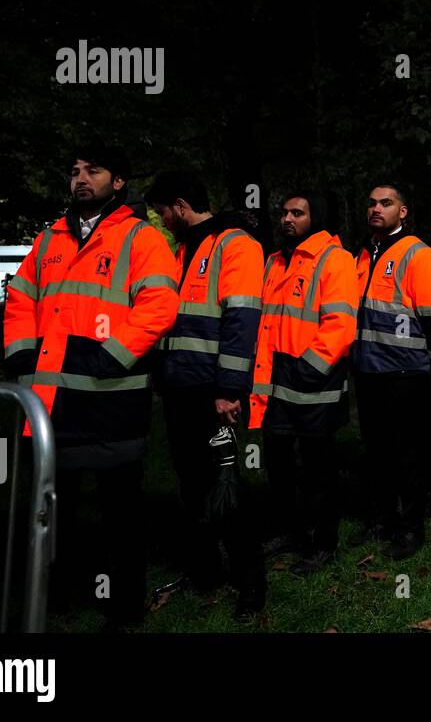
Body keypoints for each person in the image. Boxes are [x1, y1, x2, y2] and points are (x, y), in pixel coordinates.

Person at [3, 147, 179, 630]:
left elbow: (160, 304)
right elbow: (20, 297)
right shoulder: (50, 237)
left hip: (112, 399)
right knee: (55, 507)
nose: (80, 178)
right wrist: (19, 354)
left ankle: (124, 607)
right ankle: (56, 593)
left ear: (117, 181)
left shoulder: (141, 237)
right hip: (50, 404)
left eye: (93, 171)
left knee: (121, 512)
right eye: (74, 170)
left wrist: (113, 355)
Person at [149, 170, 266, 617]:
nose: (161, 220)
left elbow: (241, 320)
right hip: (181, 387)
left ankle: (251, 585)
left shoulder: (236, 244)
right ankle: (206, 571)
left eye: (162, 211)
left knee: (227, 487)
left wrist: (229, 389)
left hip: (213, 391)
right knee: (194, 484)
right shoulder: (183, 250)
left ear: (180, 206)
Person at [248, 191, 358, 577]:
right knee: (278, 467)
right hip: (274, 386)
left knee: (319, 471)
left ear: (317, 217)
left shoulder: (335, 259)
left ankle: (323, 542)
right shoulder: (276, 261)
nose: (287, 219)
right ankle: (290, 532)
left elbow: (341, 324)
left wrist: (307, 370)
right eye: (285, 212)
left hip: (314, 384)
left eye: (298, 212)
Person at [352, 184, 431, 560]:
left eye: (386, 203)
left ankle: (411, 528)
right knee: (376, 450)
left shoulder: (418, 254)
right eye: (372, 202)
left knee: (407, 454)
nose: (376, 208)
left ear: (403, 211)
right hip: (367, 370)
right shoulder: (363, 253)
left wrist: (424, 362)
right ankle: (381, 518)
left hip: (404, 374)